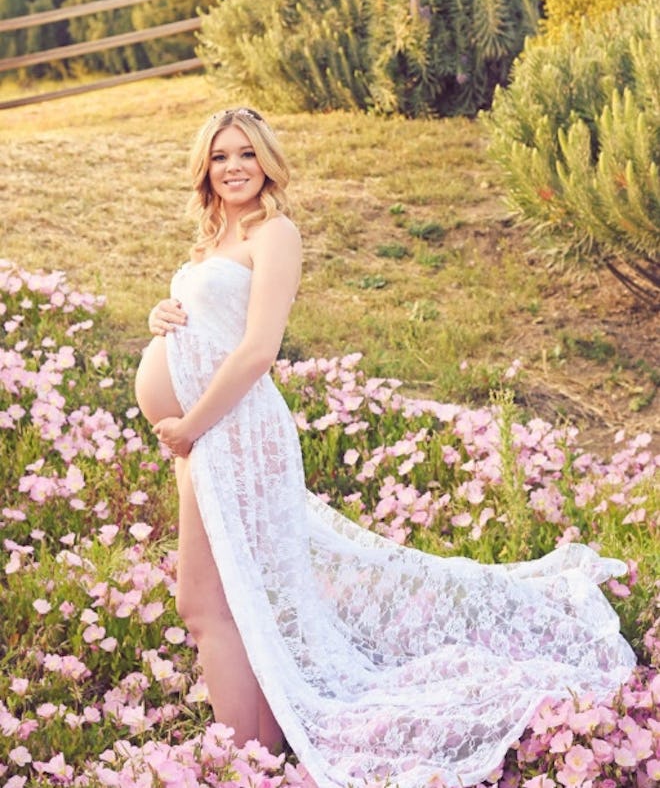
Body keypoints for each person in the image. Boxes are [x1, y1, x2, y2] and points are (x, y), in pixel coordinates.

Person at [135, 107, 635, 788]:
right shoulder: (213, 239)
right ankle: (258, 753)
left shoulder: (275, 232)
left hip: (231, 430)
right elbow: (208, 325)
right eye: (221, 155)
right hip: (208, 435)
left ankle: (241, 763)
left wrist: (191, 425)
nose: (234, 167)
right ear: (205, 167)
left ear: (268, 162)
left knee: (208, 607)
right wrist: (161, 317)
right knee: (232, 602)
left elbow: (257, 350)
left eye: (246, 154)